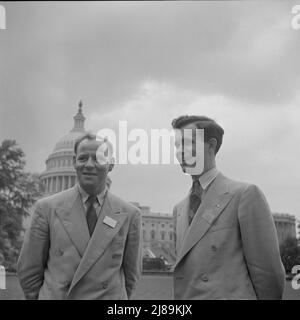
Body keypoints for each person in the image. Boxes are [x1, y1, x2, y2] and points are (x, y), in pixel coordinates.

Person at [171, 115, 285, 300]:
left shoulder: (245, 195)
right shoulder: (179, 210)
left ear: (211, 145)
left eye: (188, 143)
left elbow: (268, 272)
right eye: (176, 145)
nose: (180, 152)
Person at [17, 133, 142, 300]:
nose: (89, 165)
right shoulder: (46, 208)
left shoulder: (130, 214)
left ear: (111, 164)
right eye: (83, 158)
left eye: (97, 159)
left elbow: (131, 275)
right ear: (74, 162)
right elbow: (29, 269)